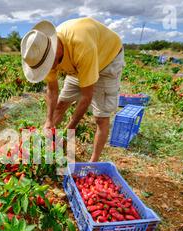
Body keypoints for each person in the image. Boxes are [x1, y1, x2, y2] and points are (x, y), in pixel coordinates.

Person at [20, 17, 124, 162]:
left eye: (49, 65)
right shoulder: (43, 53)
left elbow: (86, 96)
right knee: (61, 104)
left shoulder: (82, 47)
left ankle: (93, 163)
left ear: (55, 52)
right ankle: (48, 148)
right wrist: (49, 121)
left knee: (101, 117)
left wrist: (70, 129)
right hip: (77, 65)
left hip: (107, 60)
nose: (49, 69)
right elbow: (52, 90)